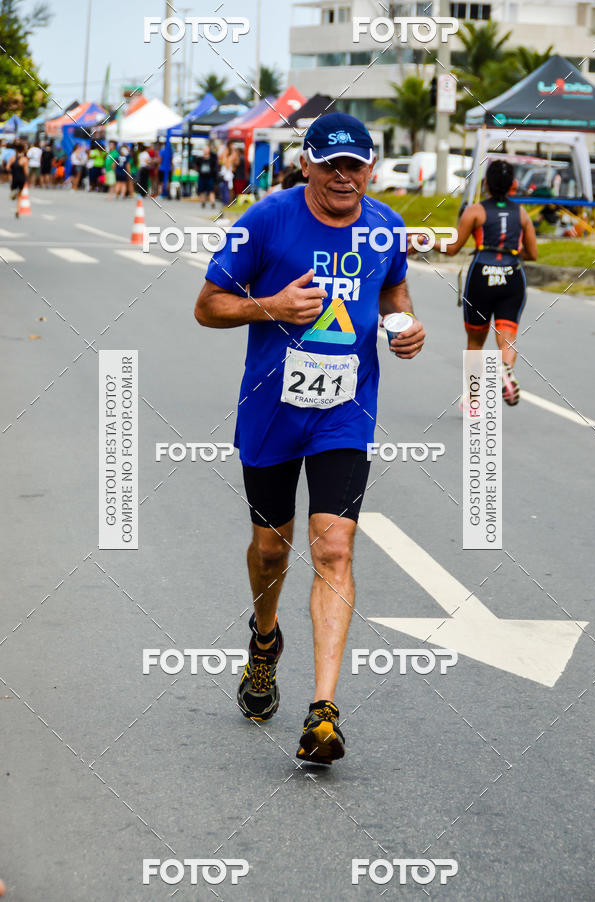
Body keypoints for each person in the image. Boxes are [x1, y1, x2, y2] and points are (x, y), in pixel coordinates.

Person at [194, 112, 425, 765]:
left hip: (344, 411)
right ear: (307, 166)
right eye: (332, 165)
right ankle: (264, 640)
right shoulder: (267, 220)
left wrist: (405, 327)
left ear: (370, 168)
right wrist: (270, 306)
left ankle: (323, 710)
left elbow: (394, 293)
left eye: (356, 165)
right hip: (272, 409)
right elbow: (207, 304)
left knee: (335, 547)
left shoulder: (384, 226)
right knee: (271, 549)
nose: (344, 177)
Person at [434, 159, 537, 406]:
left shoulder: (475, 211)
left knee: (475, 342)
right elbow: (532, 253)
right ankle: (504, 369)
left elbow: (452, 249)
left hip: (481, 275)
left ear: (486, 184)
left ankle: (473, 396)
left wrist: (425, 243)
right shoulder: (521, 214)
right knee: (508, 335)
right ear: (513, 184)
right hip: (512, 275)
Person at [195, 143, 218, 207]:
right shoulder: (199, 159)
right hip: (202, 176)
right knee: (201, 190)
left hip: (209, 177)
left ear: (209, 150)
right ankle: (203, 202)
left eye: (206, 149)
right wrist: (198, 171)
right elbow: (196, 166)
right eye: (204, 149)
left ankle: (212, 203)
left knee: (211, 190)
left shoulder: (212, 159)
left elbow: (215, 167)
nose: (205, 151)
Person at [10, 142, 28, 215]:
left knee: (13, 191)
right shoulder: (24, 159)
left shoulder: (12, 158)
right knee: (20, 195)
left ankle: (13, 194)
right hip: (21, 178)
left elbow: (8, 167)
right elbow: (26, 172)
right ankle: (18, 209)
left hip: (14, 178)